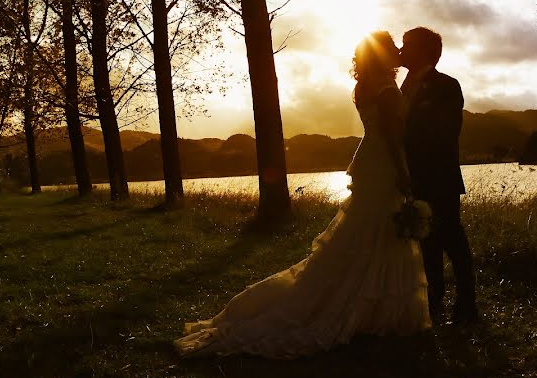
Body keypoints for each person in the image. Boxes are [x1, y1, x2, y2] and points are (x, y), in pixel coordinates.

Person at [173, 31, 431, 358]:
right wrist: (404, 173)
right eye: (392, 45)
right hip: (383, 164)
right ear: (382, 55)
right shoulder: (387, 91)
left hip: (368, 161)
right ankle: (366, 309)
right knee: (377, 232)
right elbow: (394, 138)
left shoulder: (364, 86)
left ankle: (368, 307)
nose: (397, 49)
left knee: (366, 233)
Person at [399, 27, 478, 324]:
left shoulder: (446, 85)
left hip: (439, 175)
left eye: (406, 44)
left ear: (423, 51)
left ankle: (467, 302)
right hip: (410, 176)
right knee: (425, 241)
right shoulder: (402, 86)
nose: (400, 48)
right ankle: (434, 300)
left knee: (452, 238)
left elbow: (445, 133)